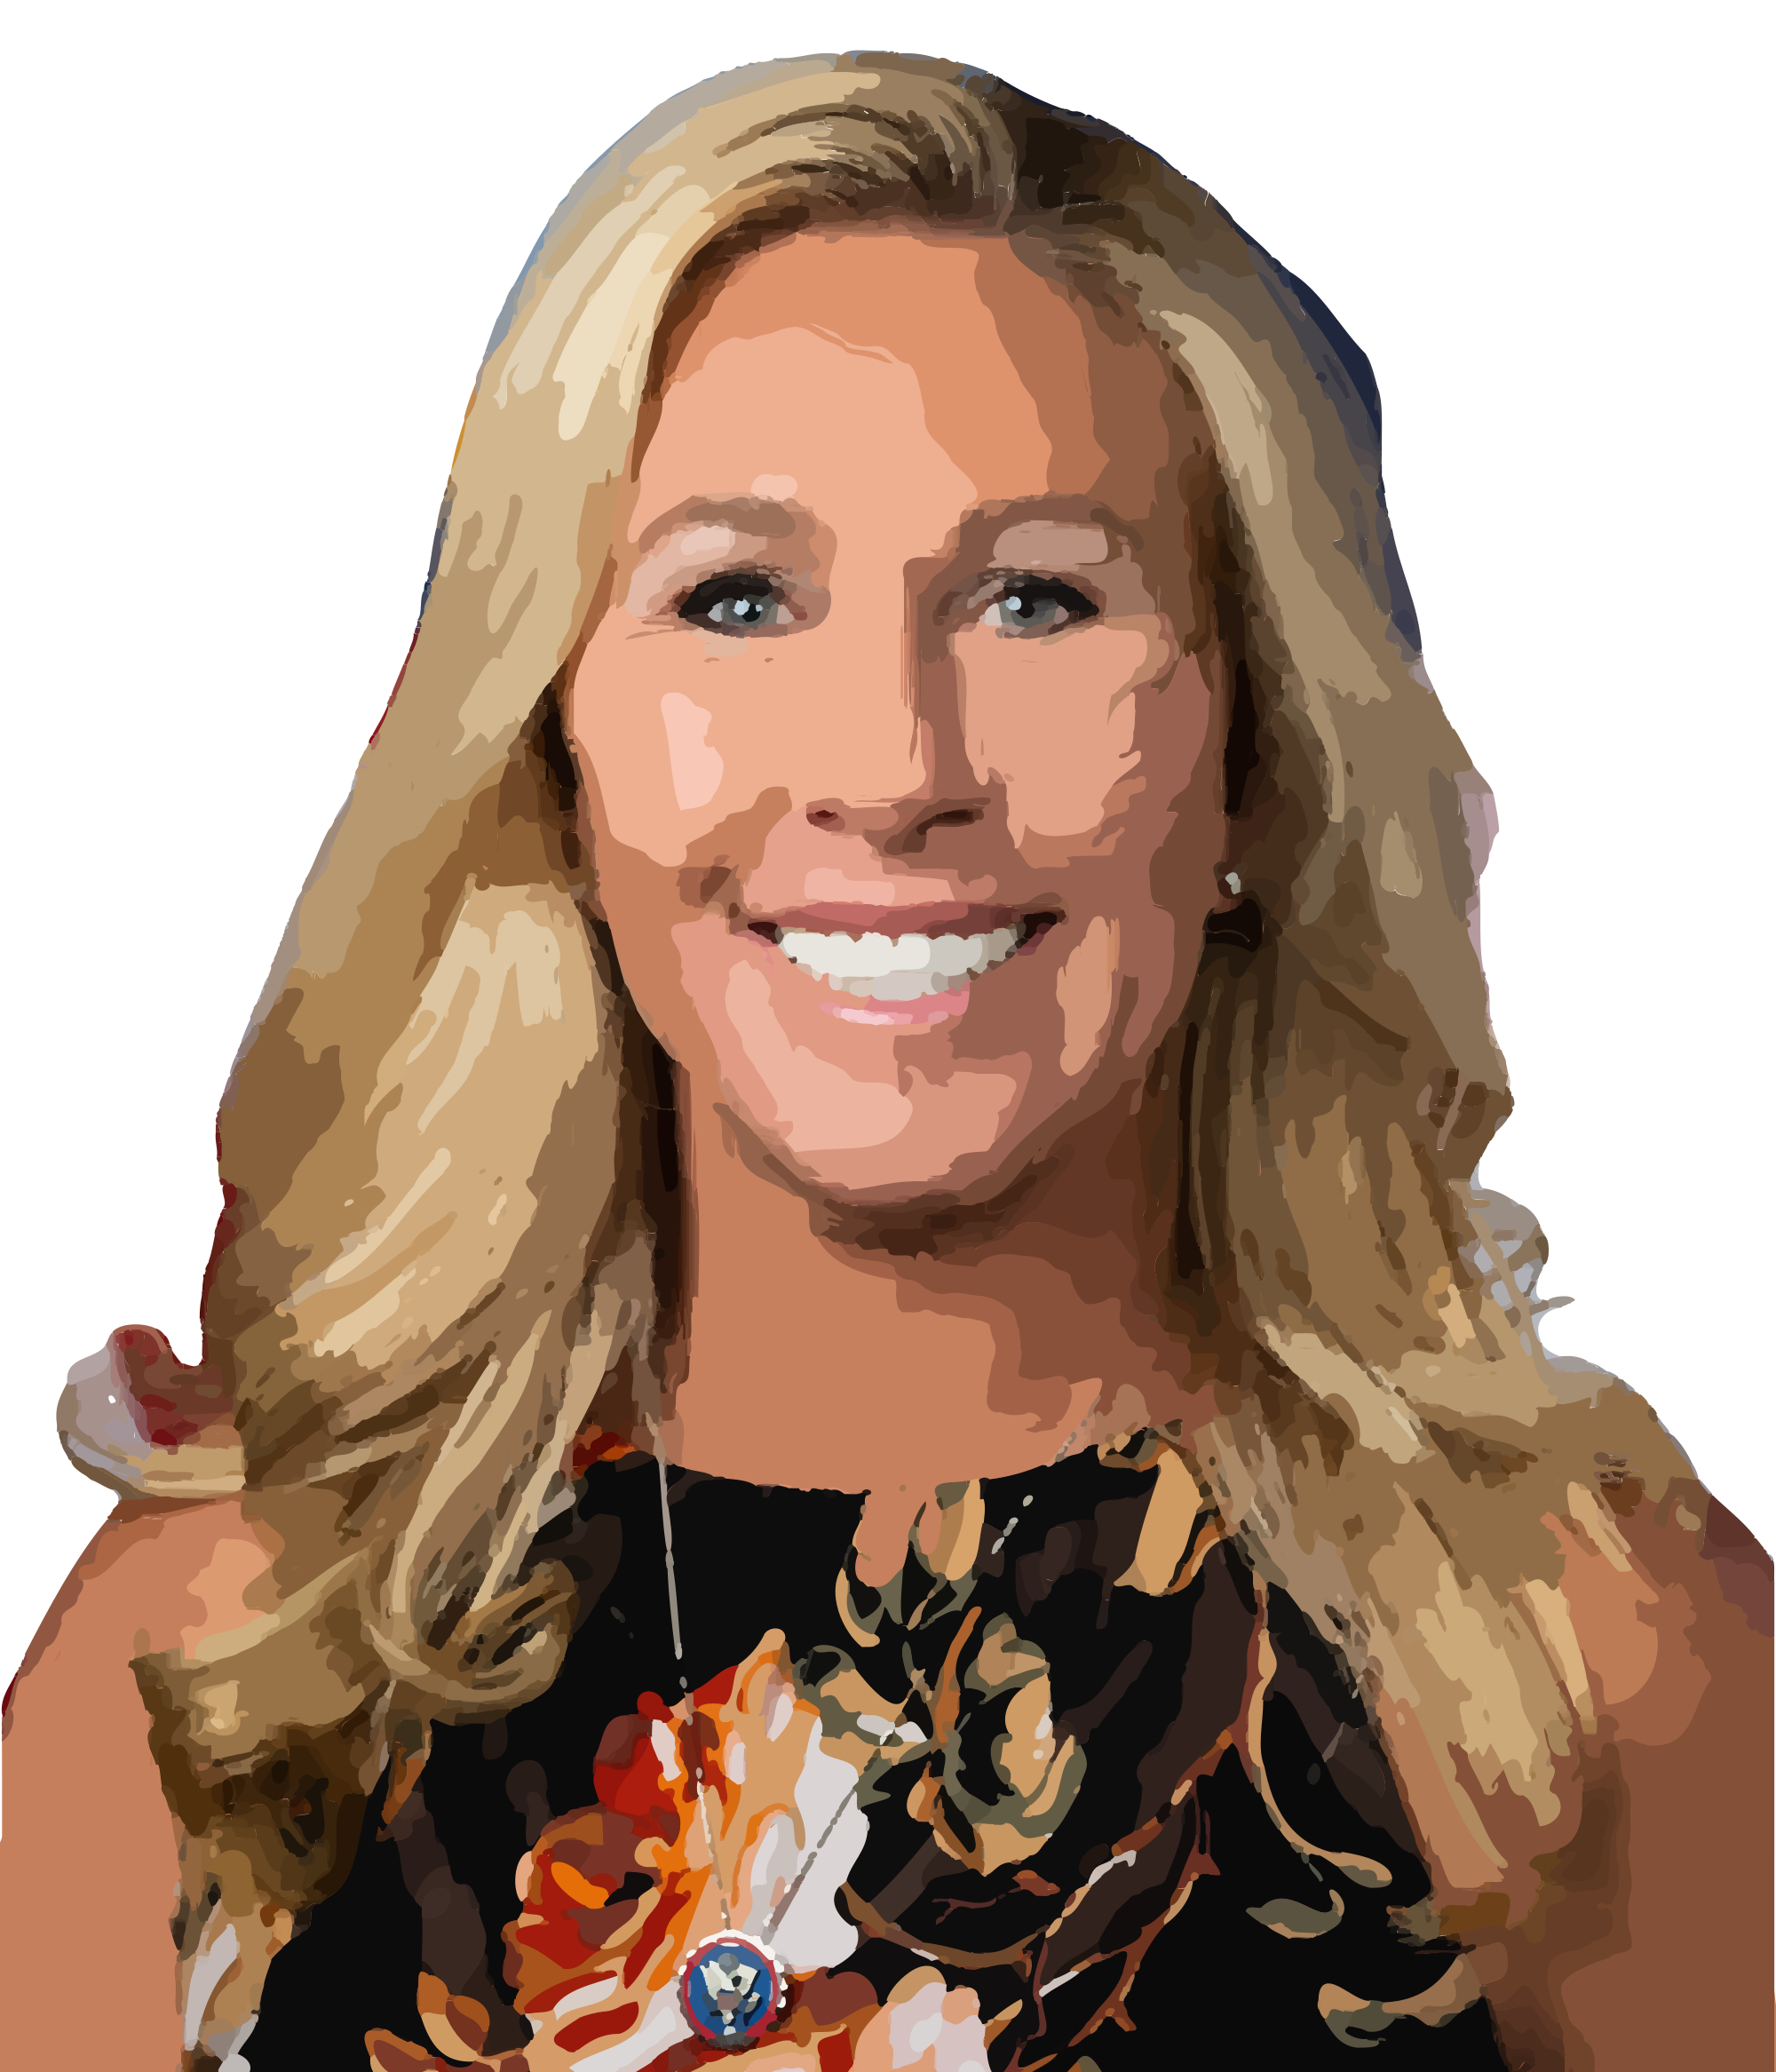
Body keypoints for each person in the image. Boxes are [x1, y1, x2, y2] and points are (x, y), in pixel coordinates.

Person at [4, 50, 1768, 2071]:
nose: (893, 764)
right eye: (735, 597)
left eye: (1038, 599)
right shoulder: (230, 1645)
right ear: (552, 749)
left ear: (1258, 761)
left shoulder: (1569, 1657)